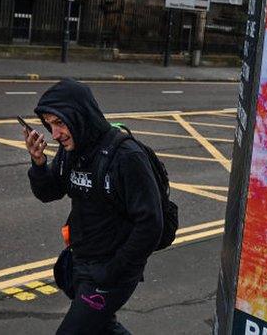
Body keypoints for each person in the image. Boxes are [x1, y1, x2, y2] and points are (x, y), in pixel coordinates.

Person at [23, 78, 163, 334]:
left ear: (80, 116)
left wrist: (112, 271)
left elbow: (151, 223)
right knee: (102, 328)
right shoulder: (72, 150)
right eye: (49, 125)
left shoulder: (127, 156)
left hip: (111, 272)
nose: (55, 134)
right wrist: (39, 163)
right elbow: (49, 192)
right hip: (82, 263)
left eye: (60, 123)